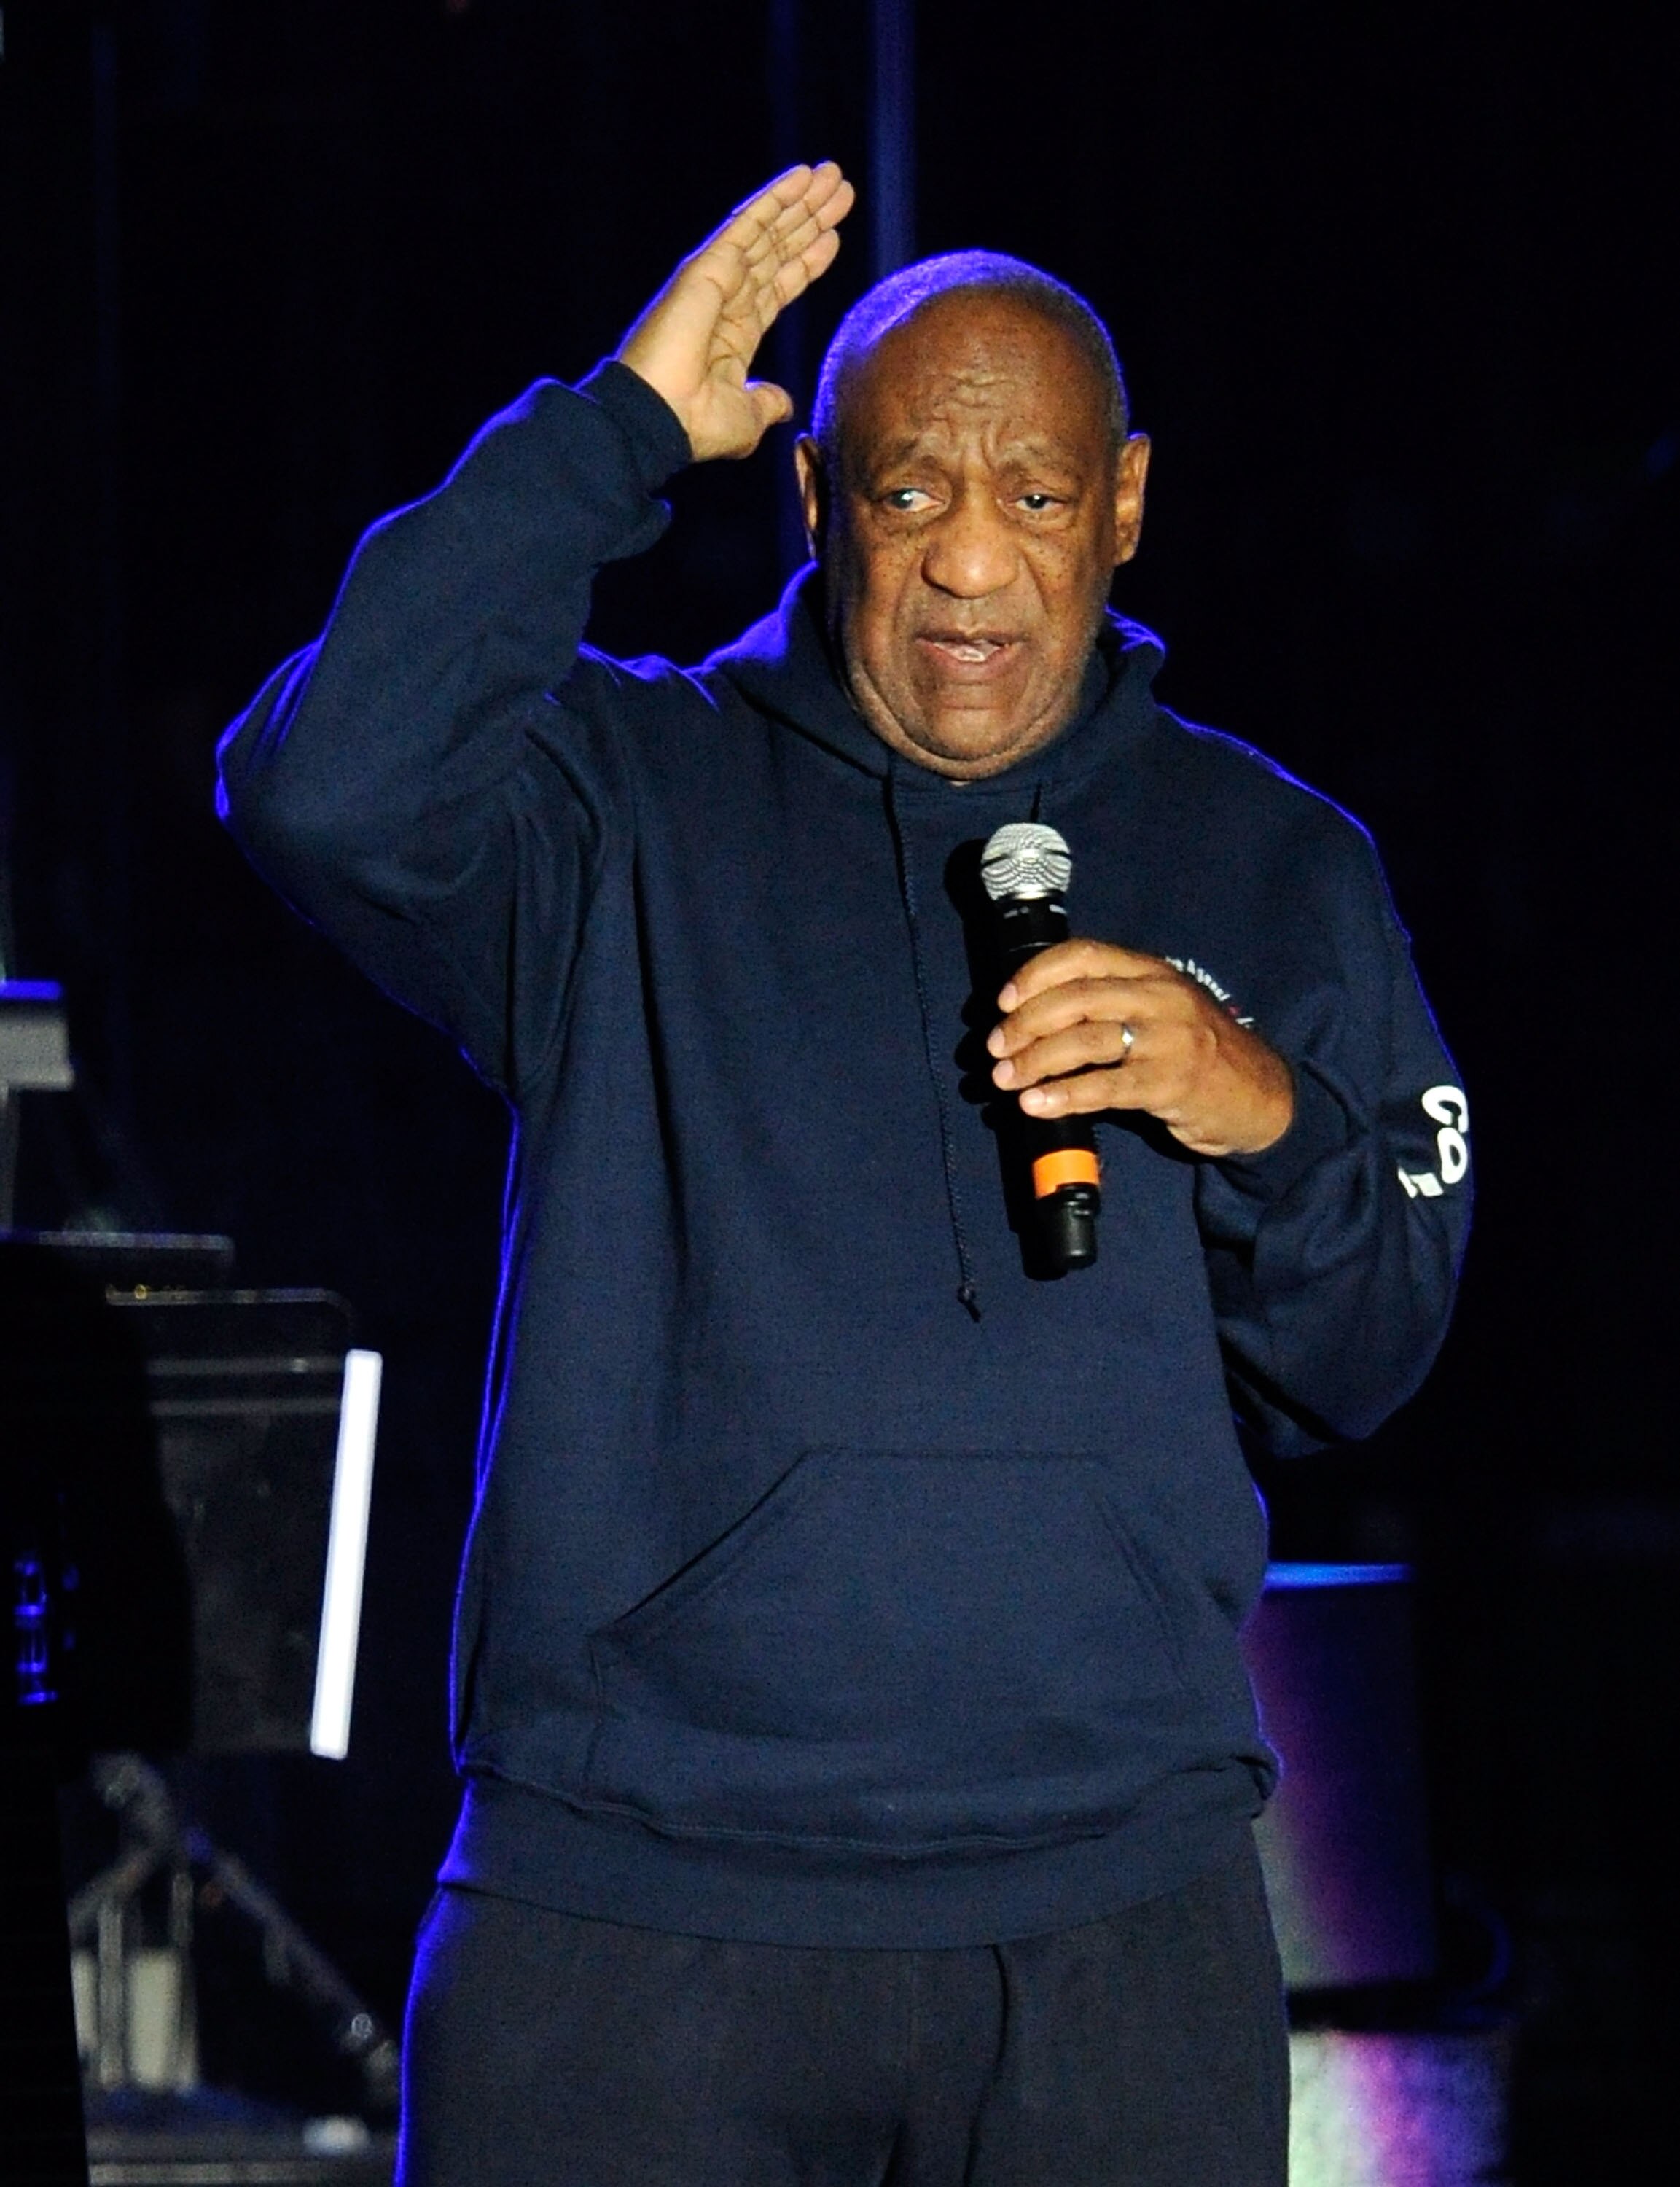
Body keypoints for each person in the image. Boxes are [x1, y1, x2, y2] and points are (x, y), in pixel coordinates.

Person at [219, 164, 1470, 2185]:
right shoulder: (624, 805)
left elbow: (1373, 1350)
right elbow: (318, 780)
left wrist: (1257, 1108)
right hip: (629, 1917)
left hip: (1104, 1921)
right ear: (816, 505)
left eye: (1035, 499)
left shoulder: (1276, 863)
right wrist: (609, 431)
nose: (971, 567)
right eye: (908, 497)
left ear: (1123, 505)